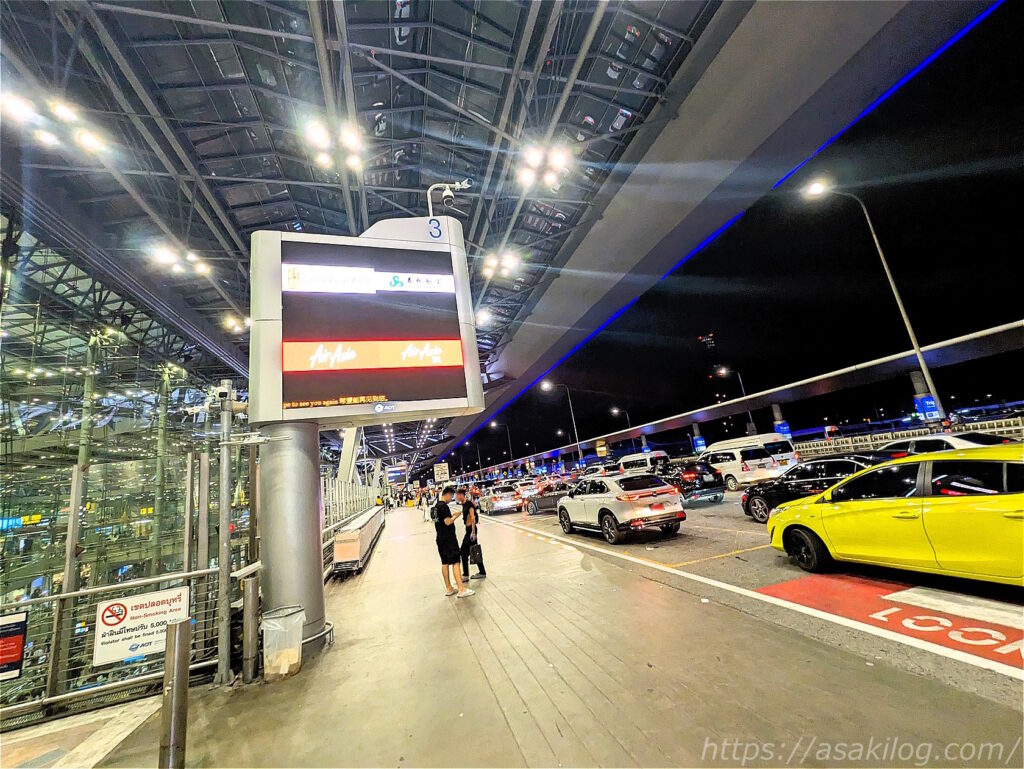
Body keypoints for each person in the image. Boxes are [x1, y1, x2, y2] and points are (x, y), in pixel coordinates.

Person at [432, 487, 474, 597]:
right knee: (456, 561)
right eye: (451, 497)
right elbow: (447, 522)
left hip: (440, 538)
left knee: (445, 562)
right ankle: (461, 589)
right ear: (448, 494)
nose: (451, 499)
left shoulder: (435, 507)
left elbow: (438, 521)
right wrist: (455, 516)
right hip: (449, 539)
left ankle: (449, 588)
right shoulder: (443, 506)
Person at [456, 488, 486, 580]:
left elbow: (472, 517)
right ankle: (482, 572)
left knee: (463, 552)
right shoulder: (464, 504)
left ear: (462, 495)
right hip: (468, 530)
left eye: (458, 495)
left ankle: (466, 575)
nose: (457, 497)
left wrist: (473, 533)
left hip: (471, 530)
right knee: (474, 550)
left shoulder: (469, 504)